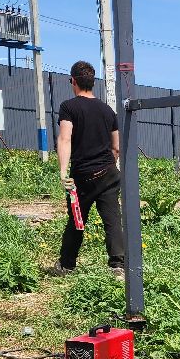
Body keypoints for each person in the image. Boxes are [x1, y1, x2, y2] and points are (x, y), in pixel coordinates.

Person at [50, 60, 124, 278]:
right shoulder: (108, 111)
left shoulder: (69, 107)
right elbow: (116, 146)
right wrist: (108, 163)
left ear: (73, 81)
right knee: (112, 219)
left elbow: (65, 138)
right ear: (92, 83)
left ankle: (67, 265)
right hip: (108, 174)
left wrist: (63, 171)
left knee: (77, 219)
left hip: (82, 177)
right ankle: (118, 266)